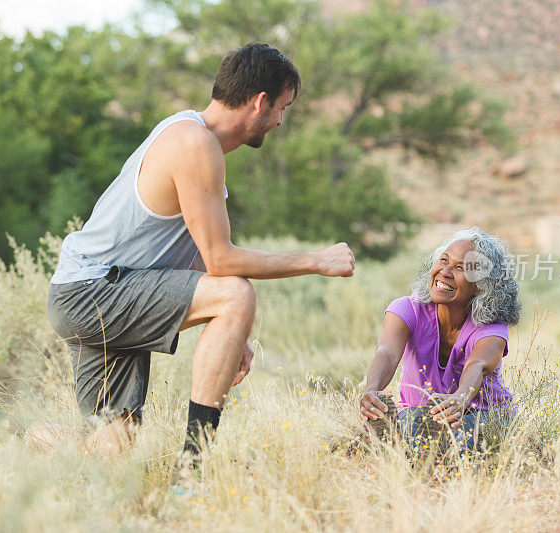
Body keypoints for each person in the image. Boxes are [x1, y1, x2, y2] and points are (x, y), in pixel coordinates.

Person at [43, 43, 355, 462]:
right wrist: (316, 260)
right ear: (259, 102)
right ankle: (194, 466)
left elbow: (192, 251)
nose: (281, 120)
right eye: (282, 108)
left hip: (88, 290)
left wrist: (234, 330)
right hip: (94, 293)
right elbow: (221, 263)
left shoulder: (191, 134)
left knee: (111, 453)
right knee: (237, 293)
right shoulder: (194, 144)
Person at [359, 228, 520, 453]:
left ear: (480, 285)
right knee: (415, 421)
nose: (445, 271)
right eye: (444, 260)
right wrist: (372, 390)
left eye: (460, 268)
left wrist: (460, 398)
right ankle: (403, 441)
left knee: (460, 434)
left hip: (484, 413)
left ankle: (412, 445)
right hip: (420, 412)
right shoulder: (407, 309)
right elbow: (387, 352)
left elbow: (479, 364)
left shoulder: (491, 328)